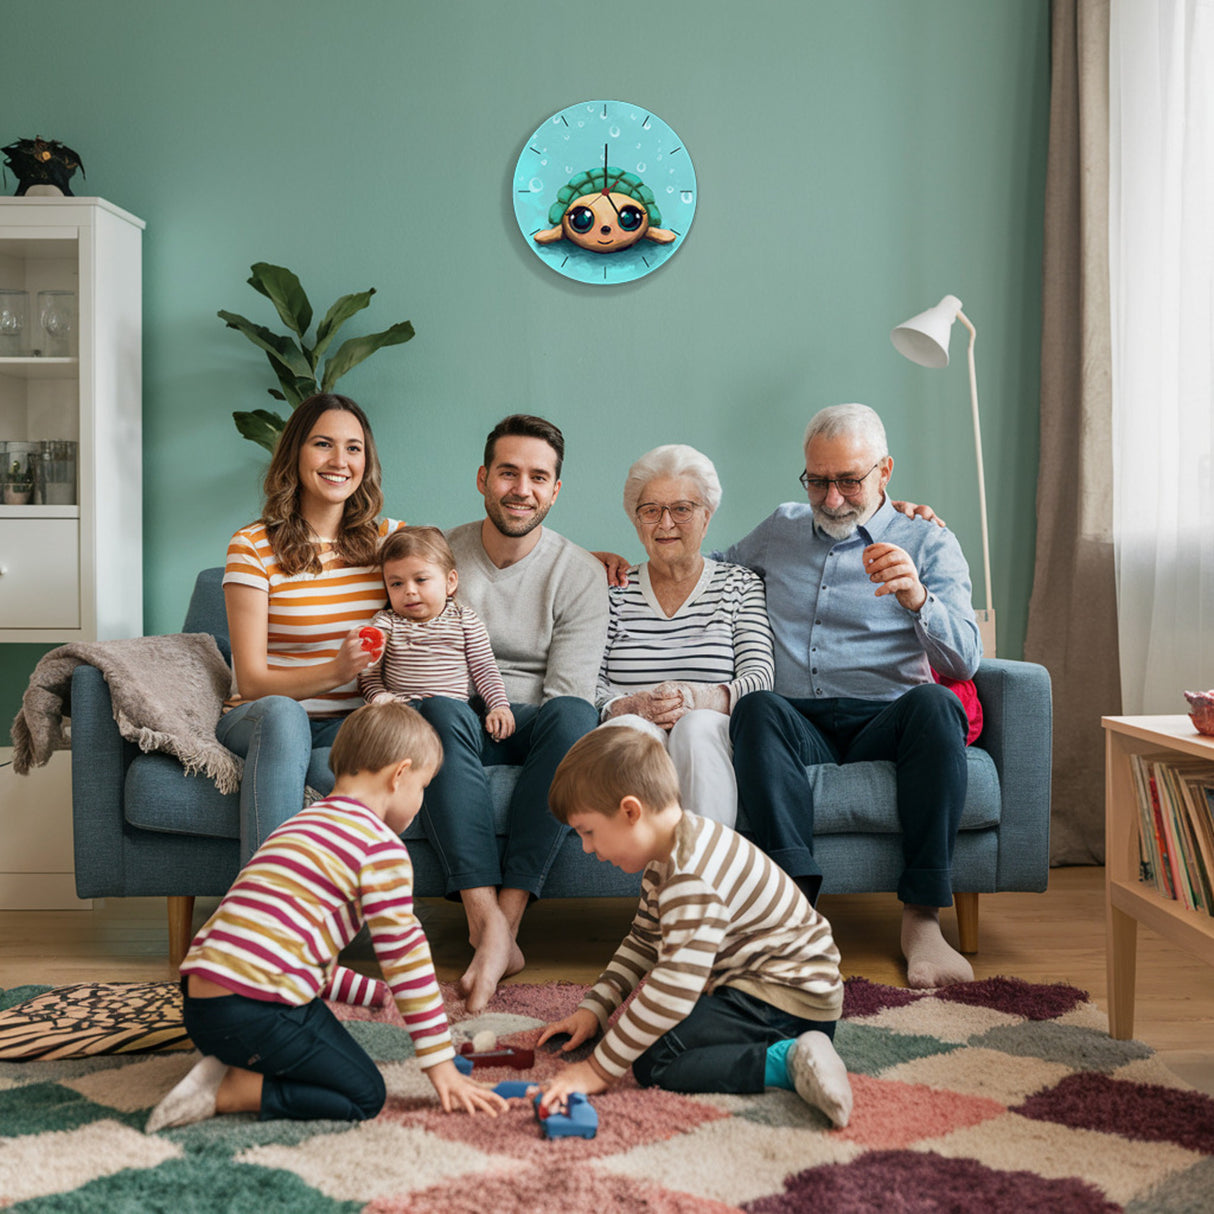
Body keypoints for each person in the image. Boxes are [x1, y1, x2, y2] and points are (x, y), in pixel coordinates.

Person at [146, 701, 506, 1131]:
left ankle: (236, 1058)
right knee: (363, 1093)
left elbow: (284, 949)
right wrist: (440, 1064)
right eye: (423, 786)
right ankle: (232, 1089)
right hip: (252, 1012)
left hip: (202, 1009)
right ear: (400, 774)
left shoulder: (299, 825)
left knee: (303, 1024)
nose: (420, 800)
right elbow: (406, 959)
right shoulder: (379, 846)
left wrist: (367, 993)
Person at [725, 403, 981, 988]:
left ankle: (921, 921)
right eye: (818, 480)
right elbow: (706, 573)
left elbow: (965, 658)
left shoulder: (929, 541)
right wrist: (614, 568)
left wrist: (918, 598)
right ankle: (795, 916)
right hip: (799, 721)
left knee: (937, 705)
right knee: (756, 706)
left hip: (888, 718)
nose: (832, 497)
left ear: (885, 471)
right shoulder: (779, 528)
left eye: (849, 480)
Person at [536, 726, 852, 1128]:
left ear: (630, 811)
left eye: (588, 832)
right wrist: (595, 1009)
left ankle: (787, 1060)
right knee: (648, 1034)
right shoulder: (668, 855)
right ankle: (789, 1046)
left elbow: (672, 991)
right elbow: (643, 941)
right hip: (772, 989)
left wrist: (597, 1071)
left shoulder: (690, 875)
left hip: (787, 1001)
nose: (587, 848)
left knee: (656, 1060)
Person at [417, 414, 609, 1013]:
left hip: (533, 722)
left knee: (575, 717)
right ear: (483, 478)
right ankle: (486, 927)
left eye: (537, 477)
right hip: (458, 715)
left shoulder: (579, 572)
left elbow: (568, 688)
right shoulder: (441, 556)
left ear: (555, 490)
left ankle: (507, 921)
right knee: (442, 709)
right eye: (508, 472)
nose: (520, 489)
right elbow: (417, 650)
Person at [217, 392, 402, 863]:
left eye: (354, 448)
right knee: (284, 715)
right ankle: (265, 911)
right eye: (324, 444)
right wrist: (336, 670)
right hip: (262, 718)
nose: (340, 461)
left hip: (348, 725)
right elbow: (253, 681)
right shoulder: (253, 546)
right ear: (295, 454)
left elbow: (467, 561)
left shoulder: (388, 541)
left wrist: (582, 558)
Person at [595, 444, 774, 826]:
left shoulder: (739, 584)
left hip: (711, 731)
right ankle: (660, 873)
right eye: (650, 511)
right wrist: (631, 705)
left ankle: (703, 876)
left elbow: (760, 679)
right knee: (633, 732)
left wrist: (699, 698)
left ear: (706, 517)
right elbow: (585, 681)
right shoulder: (614, 591)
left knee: (694, 727)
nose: (665, 524)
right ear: (635, 520)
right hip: (633, 727)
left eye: (681, 509)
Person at [358, 525, 515, 742]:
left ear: (450, 582)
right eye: (396, 584)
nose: (409, 591)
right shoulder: (386, 624)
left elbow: (485, 669)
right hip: (402, 717)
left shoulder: (464, 620)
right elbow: (368, 674)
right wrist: (380, 697)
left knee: (446, 714)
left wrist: (498, 706)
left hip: (452, 714)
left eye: (421, 580)